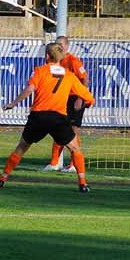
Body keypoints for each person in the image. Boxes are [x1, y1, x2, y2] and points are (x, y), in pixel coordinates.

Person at [0, 42, 95, 193]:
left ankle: (2, 179)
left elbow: (30, 88)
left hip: (38, 117)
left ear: (47, 56)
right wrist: (87, 103)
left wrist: (14, 103)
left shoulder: (40, 71)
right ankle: (83, 183)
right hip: (58, 118)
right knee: (75, 149)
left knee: (21, 147)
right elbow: (88, 96)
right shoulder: (69, 76)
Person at [43, 35, 89, 173]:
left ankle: (74, 165)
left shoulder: (73, 61)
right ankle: (54, 163)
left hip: (75, 99)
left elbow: (85, 79)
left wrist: (80, 98)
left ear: (67, 46)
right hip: (62, 100)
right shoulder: (54, 62)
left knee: (72, 131)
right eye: (57, 44)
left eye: (61, 44)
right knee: (59, 129)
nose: (59, 47)